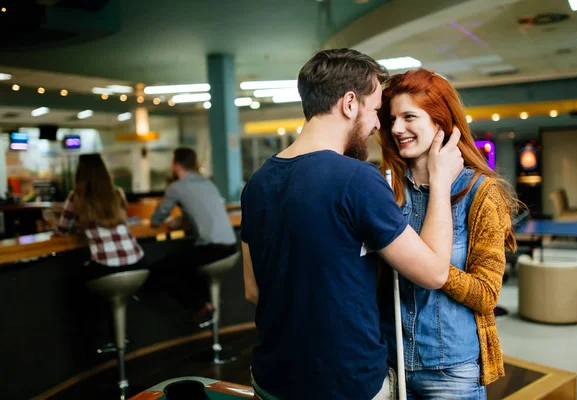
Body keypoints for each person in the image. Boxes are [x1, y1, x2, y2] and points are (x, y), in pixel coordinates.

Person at [240, 48, 464, 400]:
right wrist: (440, 181)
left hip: (270, 381)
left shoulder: (256, 183)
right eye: (375, 110)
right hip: (345, 384)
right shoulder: (357, 178)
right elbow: (434, 272)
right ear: (349, 103)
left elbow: (253, 290)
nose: (379, 125)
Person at [377, 68, 520, 399]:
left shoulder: (481, 194)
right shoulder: (387, 189)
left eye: (409, 117)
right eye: (393, 118)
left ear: (440, 121)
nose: (397, 128)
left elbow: (486, 294)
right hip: (389, 363)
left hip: (450, 371)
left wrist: (426, 265)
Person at [150, 147, 237, 323]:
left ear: (175, 165)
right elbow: (205, 210)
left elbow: (156, 220)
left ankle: (201, 306)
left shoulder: (177, 187)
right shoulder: (208, 183)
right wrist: (184, 218)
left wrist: (177, 220)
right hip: (231, 249)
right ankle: (210, 297)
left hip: (212, 251)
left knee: (161, 269)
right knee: (187, 261)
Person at [54, 153, 146, 279]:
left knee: (73, 277)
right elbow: (122, 222)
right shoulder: (117, 194)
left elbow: (62, 232)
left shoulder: (76, 197)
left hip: (106, 267)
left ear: (80, 173)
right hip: (137, 261)